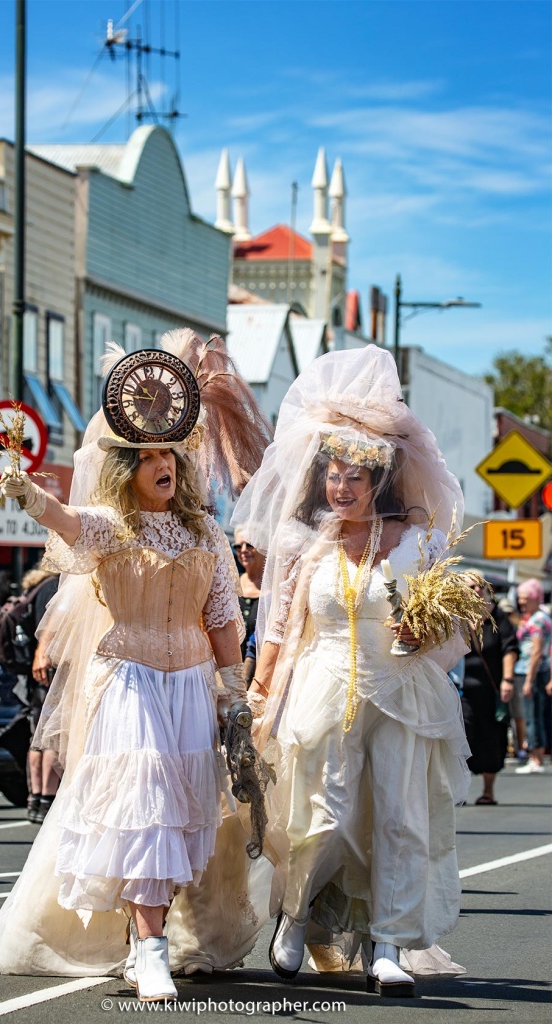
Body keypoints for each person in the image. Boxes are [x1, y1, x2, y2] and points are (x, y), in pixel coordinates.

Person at [0, 334, 272, 1000]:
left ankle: (149, 936)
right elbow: (63, 518)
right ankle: (147, 948)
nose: (162, 464)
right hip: (129, 684)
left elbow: (225, 623)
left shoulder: (204, 534)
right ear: (129, 469)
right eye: (147, 457)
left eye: (169, 454)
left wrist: (234, 699)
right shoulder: (109, 526)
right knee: (143, 805)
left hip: (190, 689)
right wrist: (24, 488)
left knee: (177, 814)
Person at [233, 344, 472, 997]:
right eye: (333, 475)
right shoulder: (302, 543)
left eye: (354, 479)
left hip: (401, 688)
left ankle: (388, 944)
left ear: (378, 483)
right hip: (322, 685)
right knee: (323, 814)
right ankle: (295, 916)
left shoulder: (415, 540)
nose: (341, 488)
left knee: (398, 816)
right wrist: (260, 696)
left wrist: (424, 631)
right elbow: (280, 626)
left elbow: (443, 619)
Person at [462, 584, 519, 804]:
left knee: (492, 736)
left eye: (479, 586)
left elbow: (509, 648)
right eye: (470, 585)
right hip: (460, 689)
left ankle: (488, 791)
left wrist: (507, 680)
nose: (475, 589)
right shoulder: (455, 616)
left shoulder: (497, 616)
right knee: (462, 735)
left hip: (490, 688)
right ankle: (460, 791)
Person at [18, 566, 61, 823]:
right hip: (52, 667)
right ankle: (47, 797)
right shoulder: (57, 587)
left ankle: (34, 798)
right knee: (53, 736)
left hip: (34, 670)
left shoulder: (34, 589)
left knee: (37, 736)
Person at [514, 579, 551, 774]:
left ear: (535, 598)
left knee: (532, 715)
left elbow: (537, 652)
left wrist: (528, 679)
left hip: (532, 672)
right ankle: (537, 757)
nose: (521, 603)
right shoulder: (537, 617)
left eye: (525, 599)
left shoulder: (538, 620)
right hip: (535, 671)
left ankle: (536, 759)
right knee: (536, 714)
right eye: (520, 599)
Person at [233, 525, 265, 661]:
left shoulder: (276, 591)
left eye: (250, 545)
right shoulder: (230, 586)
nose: (244, 550)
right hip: (232, 670)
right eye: (238, 546)